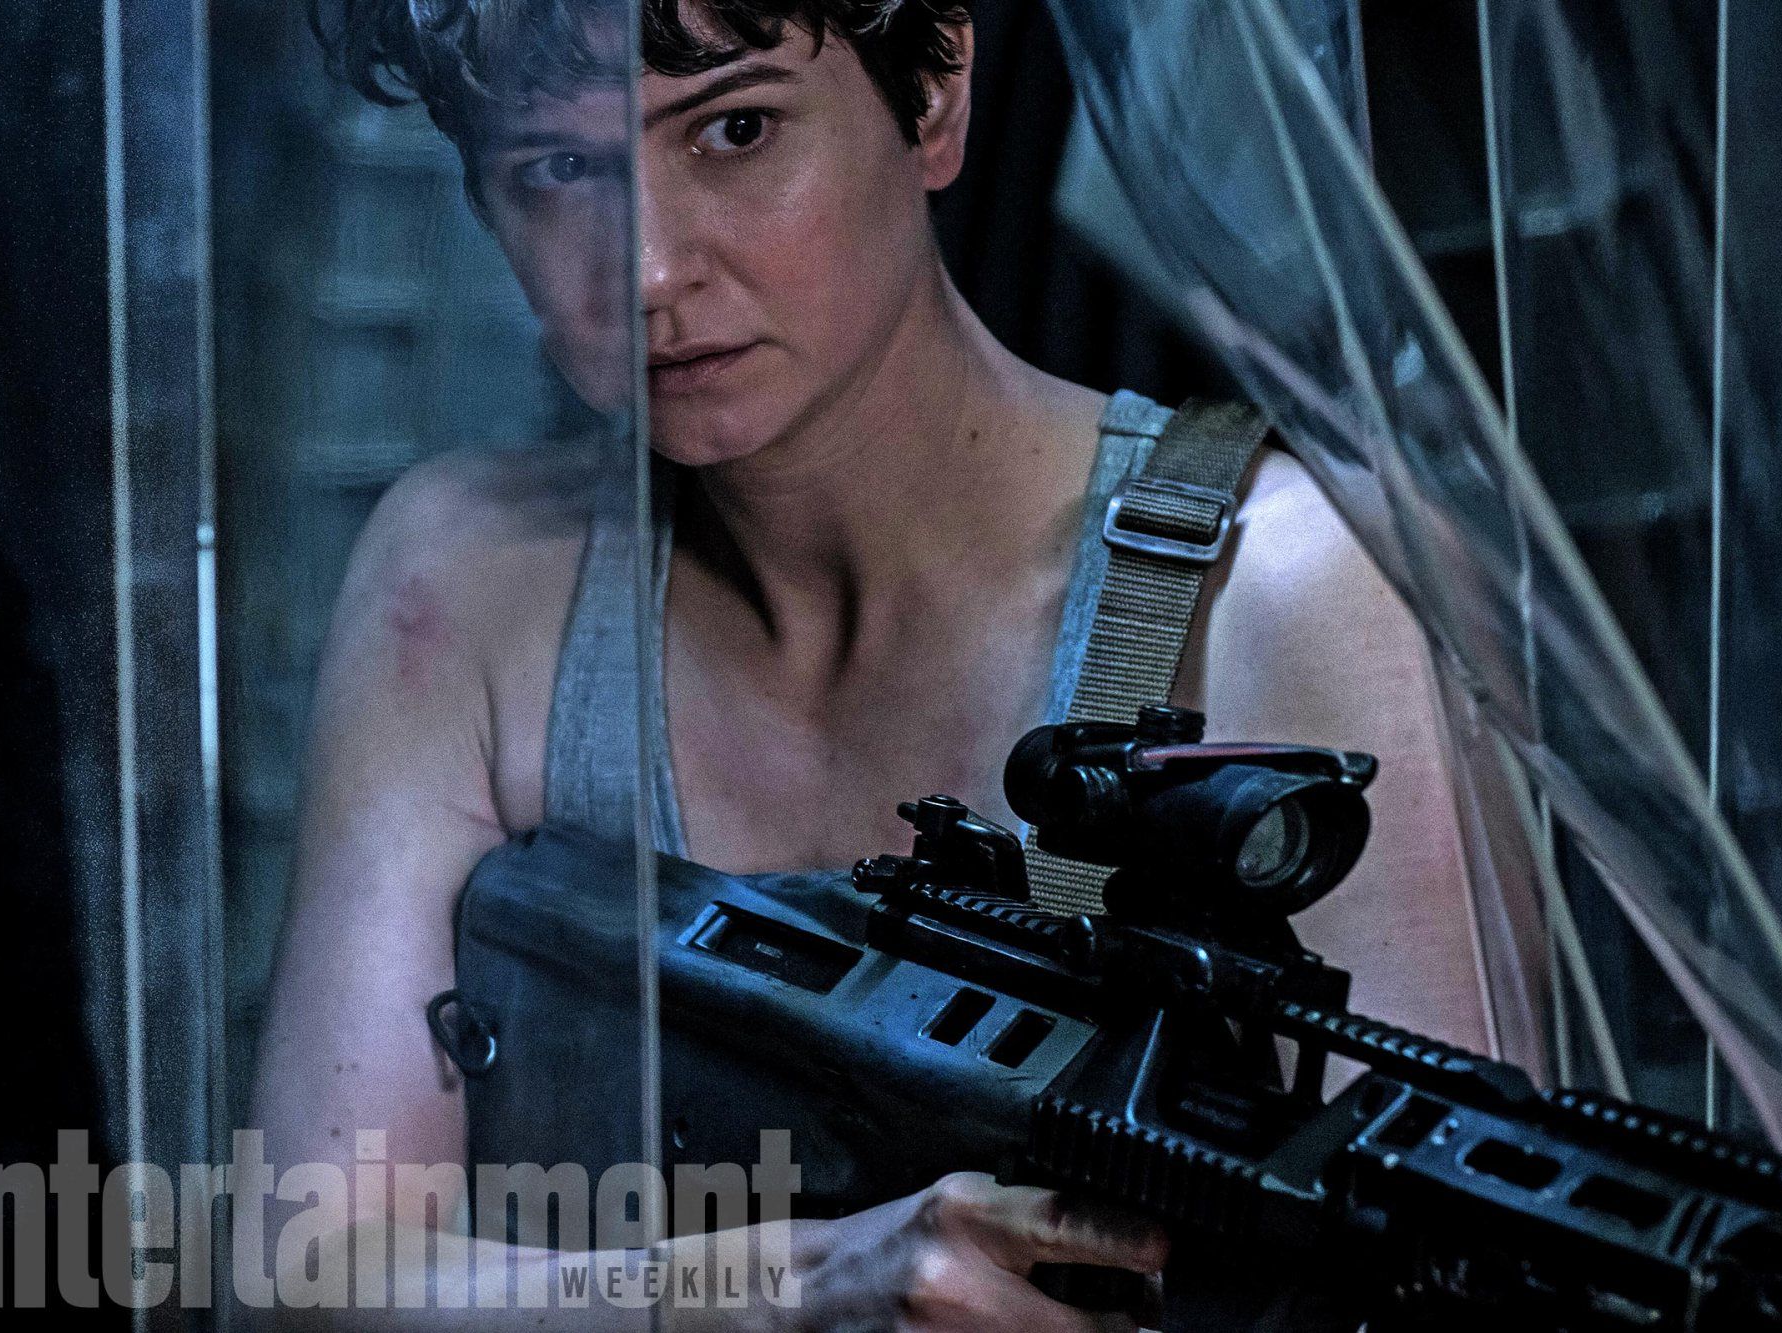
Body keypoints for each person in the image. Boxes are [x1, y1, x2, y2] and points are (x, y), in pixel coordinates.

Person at [250, 1, 1497, 1326]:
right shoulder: (470, 584)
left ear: (938, 88)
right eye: (559, 168)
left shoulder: (1293, 588)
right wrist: (787, 1289)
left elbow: (1453, 1283)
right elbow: (304, 1276)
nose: (650, 269)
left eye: (736, 130)